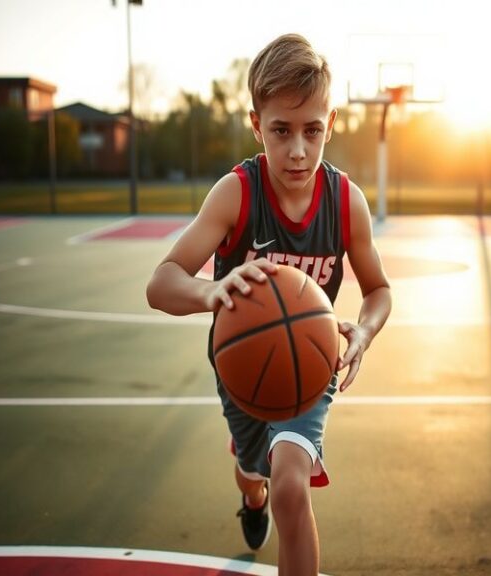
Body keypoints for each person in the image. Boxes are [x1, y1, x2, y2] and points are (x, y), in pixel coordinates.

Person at [146, 33, 391, 576]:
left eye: (312, 131)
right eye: (281, 131)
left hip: (310, 363)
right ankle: (248, 493)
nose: (298, 149)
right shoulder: (237, 193)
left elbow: (378, 290)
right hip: (242, 364)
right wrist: (211, 292)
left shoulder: (345, 200)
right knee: (256, 474)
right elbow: (161, 283)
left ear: (331, 122)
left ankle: (266, 491)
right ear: (257, 125)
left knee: (289, 486)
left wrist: (364, 333)